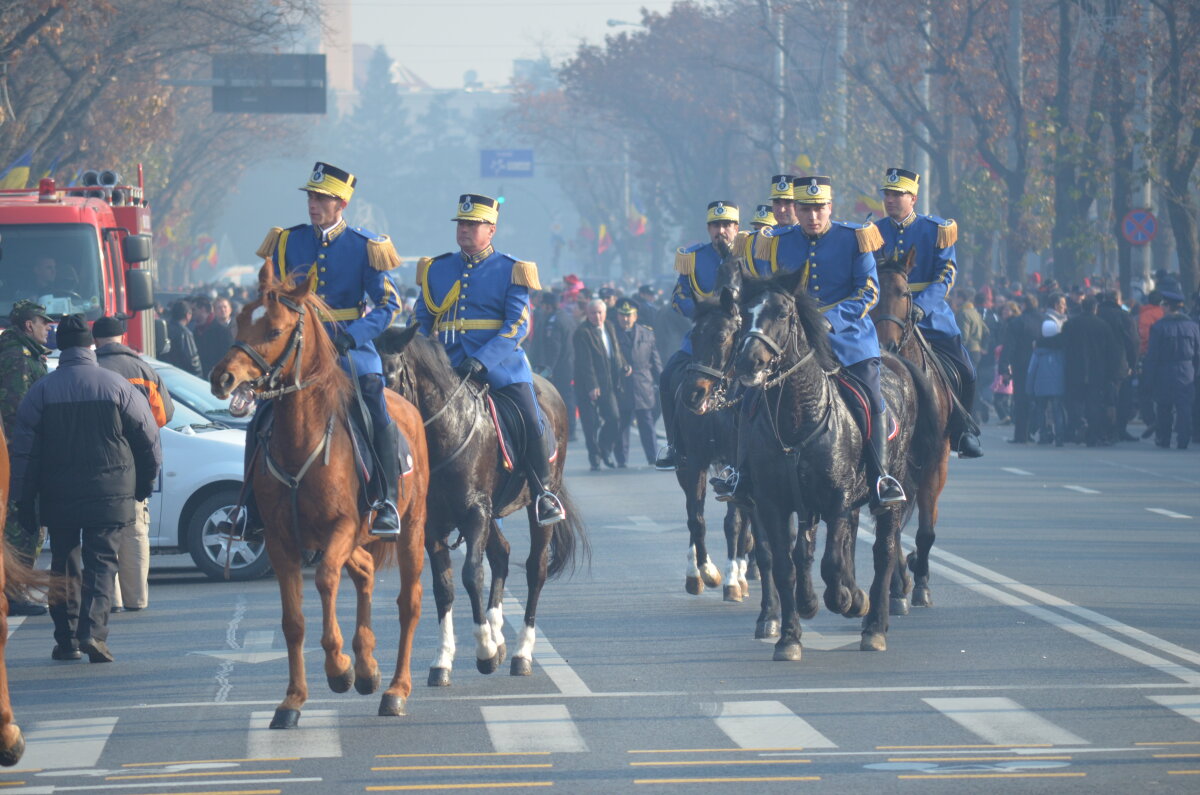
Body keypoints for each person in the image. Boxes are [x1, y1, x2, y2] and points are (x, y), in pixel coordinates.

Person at [250, 161, 405, 536]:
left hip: (349, 343)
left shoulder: (366, 247)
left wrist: (352, 336)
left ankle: (385, 498)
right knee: (263, 408)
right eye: (311, 196)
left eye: (322, 198)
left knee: (372, 397)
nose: (313, 204)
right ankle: (251, 508)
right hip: (297, 347)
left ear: (342, 205)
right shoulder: (288, 241)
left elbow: (388, 305)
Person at [733, 175, 903, 511]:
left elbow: (868, 291)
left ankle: (881, 476)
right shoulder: (776, 241)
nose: (813, 216)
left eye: (819, 208)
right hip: (792, 342)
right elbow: (771, 291)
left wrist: (830, 320)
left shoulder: (855, 238)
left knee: (870, 397)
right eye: (806, 209)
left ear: (830, 207)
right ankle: (739, 472)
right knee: (748, 395)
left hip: (848, 339)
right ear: (795, 210)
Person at [8, 315, 160, 663]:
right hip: (111, 492)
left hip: (58, 492)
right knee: (102, 562)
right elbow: (149, 440)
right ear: (91, 345)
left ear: (59, 347)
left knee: (64, 561)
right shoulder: (117, 385)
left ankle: (66, 640)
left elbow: (24, 452)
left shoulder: (41, 391)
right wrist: (144, 484)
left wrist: (23, 499)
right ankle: (94, 634)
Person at [415, 193, 565, 525]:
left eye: (472, 224)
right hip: (446, 366)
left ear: (491, 230)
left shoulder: (512, 270)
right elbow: (421, 321)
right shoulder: (437, 269)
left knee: (530, 416)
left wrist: (483, 360)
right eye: (461, 224)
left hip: (500, 367)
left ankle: (543, 493)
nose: (464, 230)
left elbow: (517, 325)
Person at [874, 167, 982, 457]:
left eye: (898, 194)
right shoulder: (872, 233)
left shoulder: (936, 229)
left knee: (966, 370)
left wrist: (921, 306)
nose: (891, 199)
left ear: (914, 199)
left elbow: (945, 275)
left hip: (930, 318)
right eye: (887, 194)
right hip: (885, 317)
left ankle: (963, 430)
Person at [93, 315, 174, 612]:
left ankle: (110, 598)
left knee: (103, 530)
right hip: (135, 461)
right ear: (122, 338)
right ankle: (136, 598)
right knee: (135, 528)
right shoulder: (143, 369)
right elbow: (164, 415)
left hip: (98, 461)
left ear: (96, 340)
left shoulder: (91, 368)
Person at [655, 201, 742, 471]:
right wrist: (706, 313)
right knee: (668, 375)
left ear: (737, 228)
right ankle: (673, 444)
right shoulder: (693, 257)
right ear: (708, 229)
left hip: (741, 338)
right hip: (704, 338)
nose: (721, 231)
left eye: (727, 225)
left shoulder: (751, 254)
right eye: (716, 226)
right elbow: (679, 296)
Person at [0, 300, 54, 616]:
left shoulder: (26, 355)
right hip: (19, 457)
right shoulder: (17, 360)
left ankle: (15, 590)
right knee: (21, 526)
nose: (48, 327)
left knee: (27, 525)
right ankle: (13, 592)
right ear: (27, 326)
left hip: (21, 456)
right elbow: (18, 414)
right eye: (42, 322)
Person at [574, 298, 629, 470]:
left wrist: (624, 365)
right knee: (590, 424)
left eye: (600, 312)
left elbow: (616, 351)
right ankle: (594, 457)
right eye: (593, 313)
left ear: (604, 314)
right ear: (587, 314)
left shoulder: (610, 327)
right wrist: (592, 385)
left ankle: (604, 448)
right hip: (588, 385)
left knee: (614, 418)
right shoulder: (582, 332)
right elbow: (585, 362)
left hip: (609, 383)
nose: (597, 316)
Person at [1061, 296, 1121, 447]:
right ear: (1095, 309)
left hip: (1074, 369)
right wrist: (1114, 373)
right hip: (1097, 371)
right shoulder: (1103, 326)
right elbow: (1112, 351)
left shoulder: (1071, 324)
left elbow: (1062, 343)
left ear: (1082, 307)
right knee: (1093, 403)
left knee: (1074, 401)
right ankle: (1091, 436)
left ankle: (1079, 422)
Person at [1145, 289, 1200, 449]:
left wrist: (1149, 377)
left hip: (1164, 370)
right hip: (1186, 370)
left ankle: (1164, 438)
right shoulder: (1192, 327)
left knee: (1164, 407)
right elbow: (1198, 353)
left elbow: (1152, 355)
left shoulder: (1158, 327)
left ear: (1167, 306)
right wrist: (1195, 372)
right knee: (1184, 407)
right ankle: (1183, 439)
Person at [612, 298, 662, 466]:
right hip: (622, 386)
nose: (625, 319)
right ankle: (621, 460)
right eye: (622, 315)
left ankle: (653, 457)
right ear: (617, 316)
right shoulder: (612, 334)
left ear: (635, 316)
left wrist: (661, 381)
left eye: (629, 315)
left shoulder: (647, 333)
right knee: (622, 425)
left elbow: (655, 362)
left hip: (643, 385)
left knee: (647, 424)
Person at [196, 296, 235, 376]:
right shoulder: (209, 332)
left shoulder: (240, 327)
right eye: (219, 308)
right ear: (214, 311)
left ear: (230, 309)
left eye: (225, 307)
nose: (223, 310)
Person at [163, 300, 202, 377]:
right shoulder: (185, 333)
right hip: (183, 376)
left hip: (166, 373)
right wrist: (199, 375)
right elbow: (193, 360)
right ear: (188, 315)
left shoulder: (165, 329)